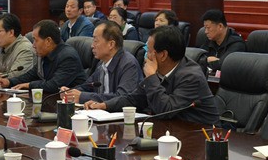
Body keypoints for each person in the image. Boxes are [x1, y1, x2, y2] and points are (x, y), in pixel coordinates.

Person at [86, 26, 219, 125]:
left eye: (148, 51)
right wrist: (104, 105)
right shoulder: (159, 71)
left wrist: (151, 77)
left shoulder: (190, 77)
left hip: (201, 135)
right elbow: (134, 99)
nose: (146, 56)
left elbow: (166, 110)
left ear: (163, 55)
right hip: (171, 130)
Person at [0, 20, 87, 93]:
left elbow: (54, 85)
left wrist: (29, 85)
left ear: (48, 41)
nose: (33, 45)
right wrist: (9, 81)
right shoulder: (44, 54)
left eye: (35, 40)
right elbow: (31, 75)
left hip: (72, 104)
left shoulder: (68, 57)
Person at [62, 21, 142, 103]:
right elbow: (87, 86)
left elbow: (122, 98)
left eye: (96, 41)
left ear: (111, 44)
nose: (92, 46)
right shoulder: (101, 63)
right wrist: (70, 92)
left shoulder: (128, 64)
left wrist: (82, 96)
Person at [199, 9, 246, 74]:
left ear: (220, 26)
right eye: (205, 28)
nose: (206, 32)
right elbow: (197, 59)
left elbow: (224, 65)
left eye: (208, 28)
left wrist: (205, 61)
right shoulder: (210, 39)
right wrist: (207, 59)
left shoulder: (237, 44)